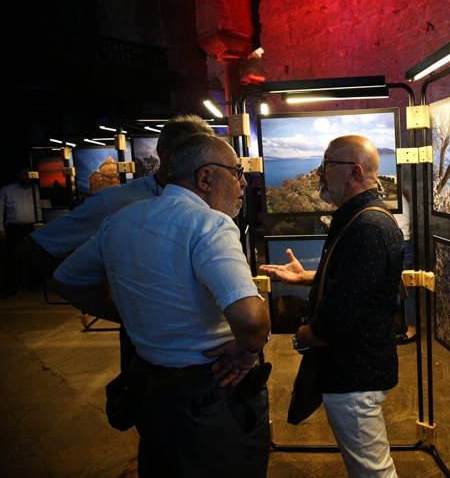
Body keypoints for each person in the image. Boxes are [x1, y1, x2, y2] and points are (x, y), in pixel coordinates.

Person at [50, 133, 271, 477]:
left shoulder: (121, 221)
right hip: (212, 391)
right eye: (236, 172)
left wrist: (131, 313)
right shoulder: (210, 224)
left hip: (150, 391)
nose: (243, 182)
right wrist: (245, 354)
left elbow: (67, 280)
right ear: (205, 178)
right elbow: (252, 321)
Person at [17, 114, 213, 371]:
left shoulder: (210, 199)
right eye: (186, 151)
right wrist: (119, 307)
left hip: (209, 337)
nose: (195, 160)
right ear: (162, 152)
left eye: (202, 153)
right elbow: (34, 248)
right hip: (147, 347)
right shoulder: (117, 201)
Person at [260, 134, 403, 477]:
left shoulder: (367, 227)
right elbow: (357, 282)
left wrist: (302, 337)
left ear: (354, 172)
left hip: (354, 374)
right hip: (356, 369)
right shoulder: (363, 219)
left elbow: (338, 318)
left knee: (373, 473)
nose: (319, 172)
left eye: (327, 164)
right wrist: (307, 278)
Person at [0, 166, 40, 297]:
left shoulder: (36, 190)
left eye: (29, 174)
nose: (27, 177)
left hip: (32, 227)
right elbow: (0, 210)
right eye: (24, 174)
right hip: (14, 227)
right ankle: (11, 287)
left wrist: (41, 224)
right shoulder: (6, 190)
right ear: (18, 175)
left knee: (34, 256)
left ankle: (34, 284)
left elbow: (41, 206)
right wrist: (1, 229)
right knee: (12, 258)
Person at [395, 187, 417, 344]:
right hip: (403, 243)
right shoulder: (400, 197)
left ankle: (412, 329)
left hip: (401, 244)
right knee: (405, 288)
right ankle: (407, 325)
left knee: (407, 289)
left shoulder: (396, 199)